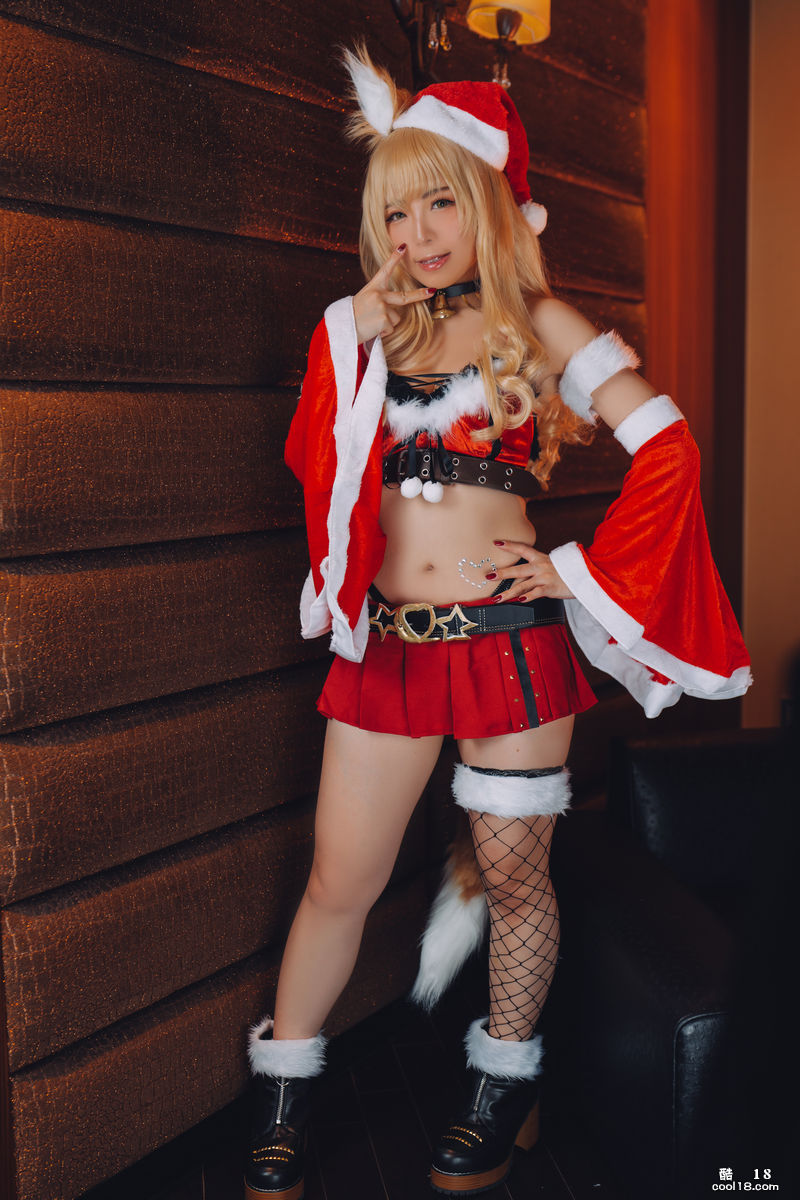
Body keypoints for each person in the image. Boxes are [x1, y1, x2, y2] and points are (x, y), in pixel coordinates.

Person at [243, 46, 752, 1200]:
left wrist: (571, 571)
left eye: (438, 202)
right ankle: (282, 1089)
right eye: (394, 211)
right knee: (338, 880)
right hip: (387, 651)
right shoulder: (370, 331)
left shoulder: (540, 322)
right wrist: (355, 323)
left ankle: (501, 1084)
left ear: (483, 200)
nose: (417, 232)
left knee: (515, 879)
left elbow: (668, 448)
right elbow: (311, 450)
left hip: (508, 651)